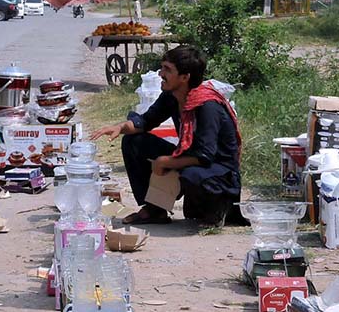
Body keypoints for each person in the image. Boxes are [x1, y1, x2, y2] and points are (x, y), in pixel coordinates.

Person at [91, 45, 243, 227]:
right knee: (134, 141)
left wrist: (165, 162)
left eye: (167, 70)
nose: (160, 74)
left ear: (185, 77)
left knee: (192, 173)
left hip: (218, 169)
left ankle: (218, 209)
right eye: (162, 67)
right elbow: (145, 121)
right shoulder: (172, 96)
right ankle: (154, 209)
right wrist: (119, 127)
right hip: (191, 156)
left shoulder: (207, 106)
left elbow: (205, 155)